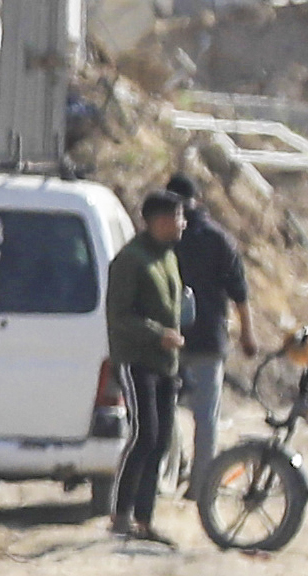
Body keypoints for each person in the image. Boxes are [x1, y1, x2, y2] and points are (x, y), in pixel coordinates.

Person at [103, 192, 187, 543]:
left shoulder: (167, 257)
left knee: (162, 439)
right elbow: (118, 317)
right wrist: (156, 334)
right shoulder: (130, 260)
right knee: (144, 434)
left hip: (166, 363)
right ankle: (120, 513)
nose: (182, 224)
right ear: (157, 220)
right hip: (137, 360)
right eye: (177, 217)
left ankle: (144, 519)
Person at [167, 171, 255, 488]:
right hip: (207, 339)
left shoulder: (166, 236)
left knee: (166, 410)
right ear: (199, 201)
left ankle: (173, 473)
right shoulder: (218, 239)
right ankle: (201, 483)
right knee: (205, 417)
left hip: (171, 340)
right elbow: (239, 291)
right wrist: (247, 333)